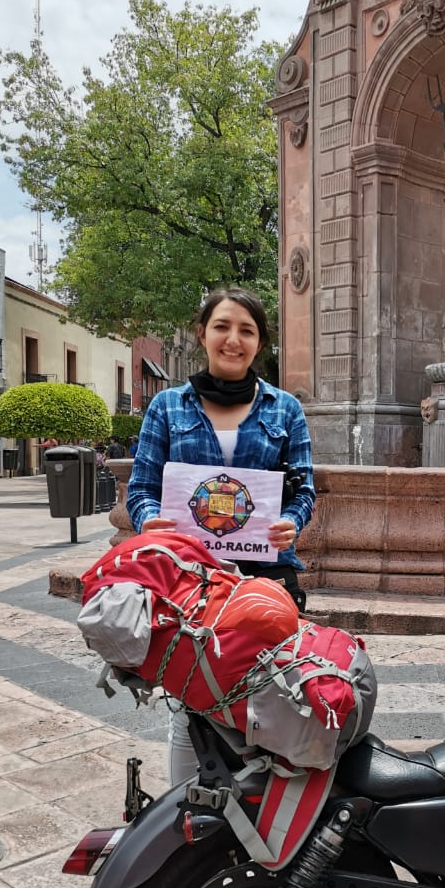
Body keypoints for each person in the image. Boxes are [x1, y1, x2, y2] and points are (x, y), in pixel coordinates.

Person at [125, 287, 316, 785]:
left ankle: (265, 817)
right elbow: (141, 490)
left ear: (260, 343)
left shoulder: (285, 410)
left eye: (247, 331)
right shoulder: (167, 407)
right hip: (189, 581)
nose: (234, 339)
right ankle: (189, 815)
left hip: (267, 581)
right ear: (203, 334)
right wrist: (149, 521)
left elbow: (305, 491)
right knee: (190, 700)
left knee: (274, 694)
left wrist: (291, 522)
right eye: (223, 327)